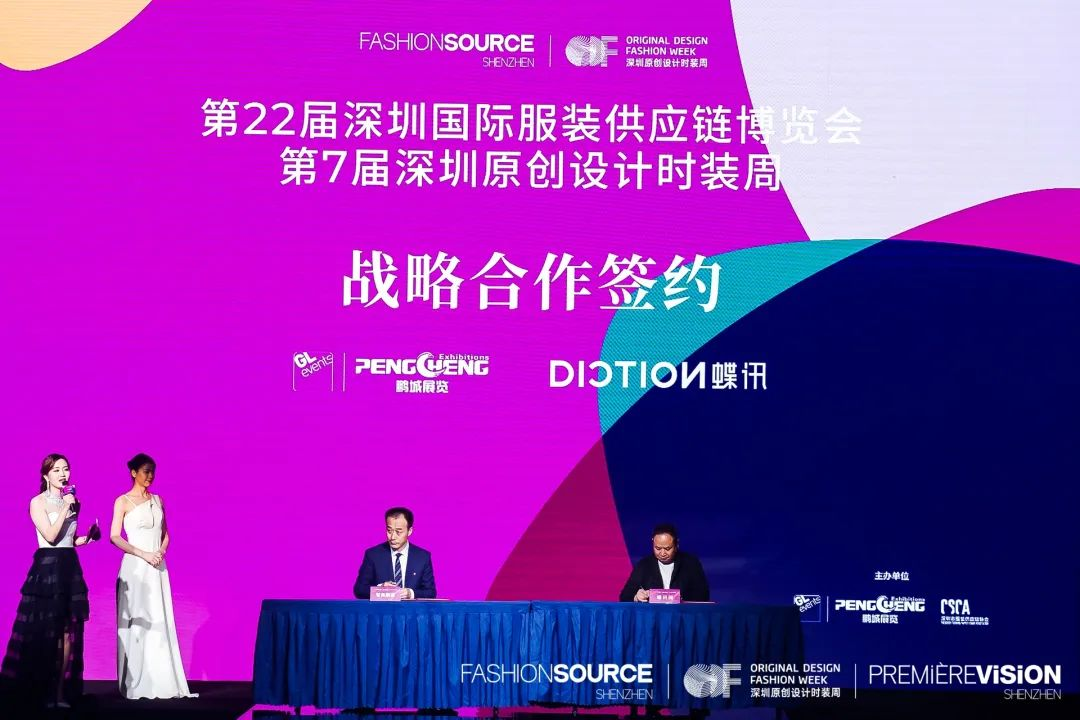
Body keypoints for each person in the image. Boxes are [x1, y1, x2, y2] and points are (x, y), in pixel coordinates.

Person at [0, 453, 100, 710]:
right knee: (45, 630)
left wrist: (87, 538)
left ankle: (59, 694)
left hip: (69, 566)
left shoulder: (74, 501)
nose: (63, 474)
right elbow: (51, 535)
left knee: (67, 633)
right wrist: (66, 507)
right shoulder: (37, 502)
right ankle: (41, 692)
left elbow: (69, 539)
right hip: (47, 568)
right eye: (56, 470)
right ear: (46, 475)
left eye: (66, 469)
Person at [110, 453, 197, 699]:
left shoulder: (158, 500)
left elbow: (165, 534)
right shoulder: (123, 501)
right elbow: (114, 536)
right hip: (135, 567)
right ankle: (135, 681)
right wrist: (143, 554)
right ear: (134, 472)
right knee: (137, 621)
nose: (150, 476)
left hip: (157, 567)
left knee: (159, 618)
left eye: (152, 471)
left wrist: (160, 551)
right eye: (145, 471)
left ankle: (163, 680)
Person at [353, 507, 437, 599]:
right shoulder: (373, 555)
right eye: (389, 531)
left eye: (398, 532)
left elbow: (430, 592)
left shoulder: (422, 557)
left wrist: (410, 593)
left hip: (411, 608)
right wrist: (380, 589)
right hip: (383, 608)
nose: (392, 537)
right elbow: (359, 590)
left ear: (409, 531)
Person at [619, 523, 710, 602]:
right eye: (658, 548)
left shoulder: (691, 564)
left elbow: (703, 595)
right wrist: (636, 596)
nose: (662, 553)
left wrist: (680, 599)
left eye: (667, 548)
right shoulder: (644, 565)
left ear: (676, 545)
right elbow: (624, 596)